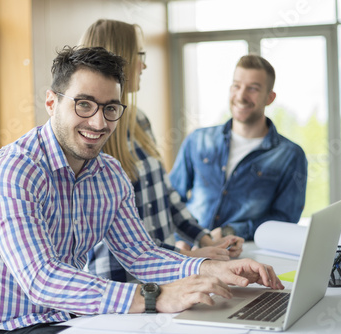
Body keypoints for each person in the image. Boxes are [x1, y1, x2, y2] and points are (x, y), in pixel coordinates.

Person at [0, 46, 283, 334]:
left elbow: (141, 256)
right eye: (84, 105)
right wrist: (155, 296)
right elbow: (41, 279)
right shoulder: (13, 170)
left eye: (110, 108)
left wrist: (213, 267)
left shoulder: (111, 174)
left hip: (69, 319)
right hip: (5, 327)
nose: (99, 124)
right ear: (51, 102)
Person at [78, 19, 243, 282]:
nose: (143, 65)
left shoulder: (139, 120)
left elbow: (165, 195)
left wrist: (206, 238)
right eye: (139, 55)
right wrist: (192, 257)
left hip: (164, 275)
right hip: (123, 288)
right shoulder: (91, 139)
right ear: (120, 59)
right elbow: (119, 240)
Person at [170, 54, 308, 243]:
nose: (241, 96)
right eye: (236, 86)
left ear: (270, 97)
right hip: (189, 254)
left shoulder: (290, 155)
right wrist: (180, 239)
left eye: (253, 89)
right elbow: (171, 197)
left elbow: (285, 220)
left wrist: (230, 232)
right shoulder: (198, 140)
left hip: (244, 256)